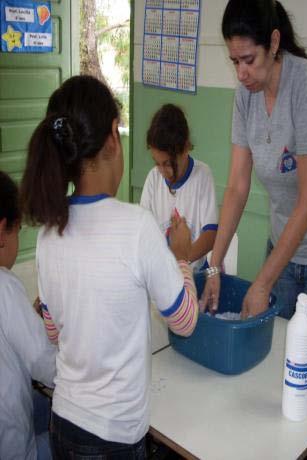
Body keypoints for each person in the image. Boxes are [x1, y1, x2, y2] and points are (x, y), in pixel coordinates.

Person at [20, 75, 199, 458]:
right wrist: (181, 257)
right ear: (114, 137)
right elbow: (184, 321)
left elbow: (53, 331)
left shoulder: (49, 234)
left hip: (64, 423)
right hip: (115, 435)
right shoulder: (136, 227)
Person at [200, 0, 307, 340]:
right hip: (283, 252)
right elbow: (237, 188)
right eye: (234, 61)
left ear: (273, 43)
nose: (241, 73)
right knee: (275, 357)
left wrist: (261, 282)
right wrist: (215, 265)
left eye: (248, 60)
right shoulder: (246, 95)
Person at [0, 170, 56, 460]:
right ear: (2, 231)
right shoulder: (5, 287)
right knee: (73, 443)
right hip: (12, 450)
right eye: (18, 230)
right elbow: (45, 365)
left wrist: (29, 320)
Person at [140, 103, 218, 273]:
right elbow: (144, 234)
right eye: (157, 163)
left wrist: (180, 262)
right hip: (162, 275)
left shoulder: (202, 175)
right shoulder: (153, 179)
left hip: (194, 274)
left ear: (185, 147)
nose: (162, 171)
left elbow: (210, 235)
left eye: (167, 164)